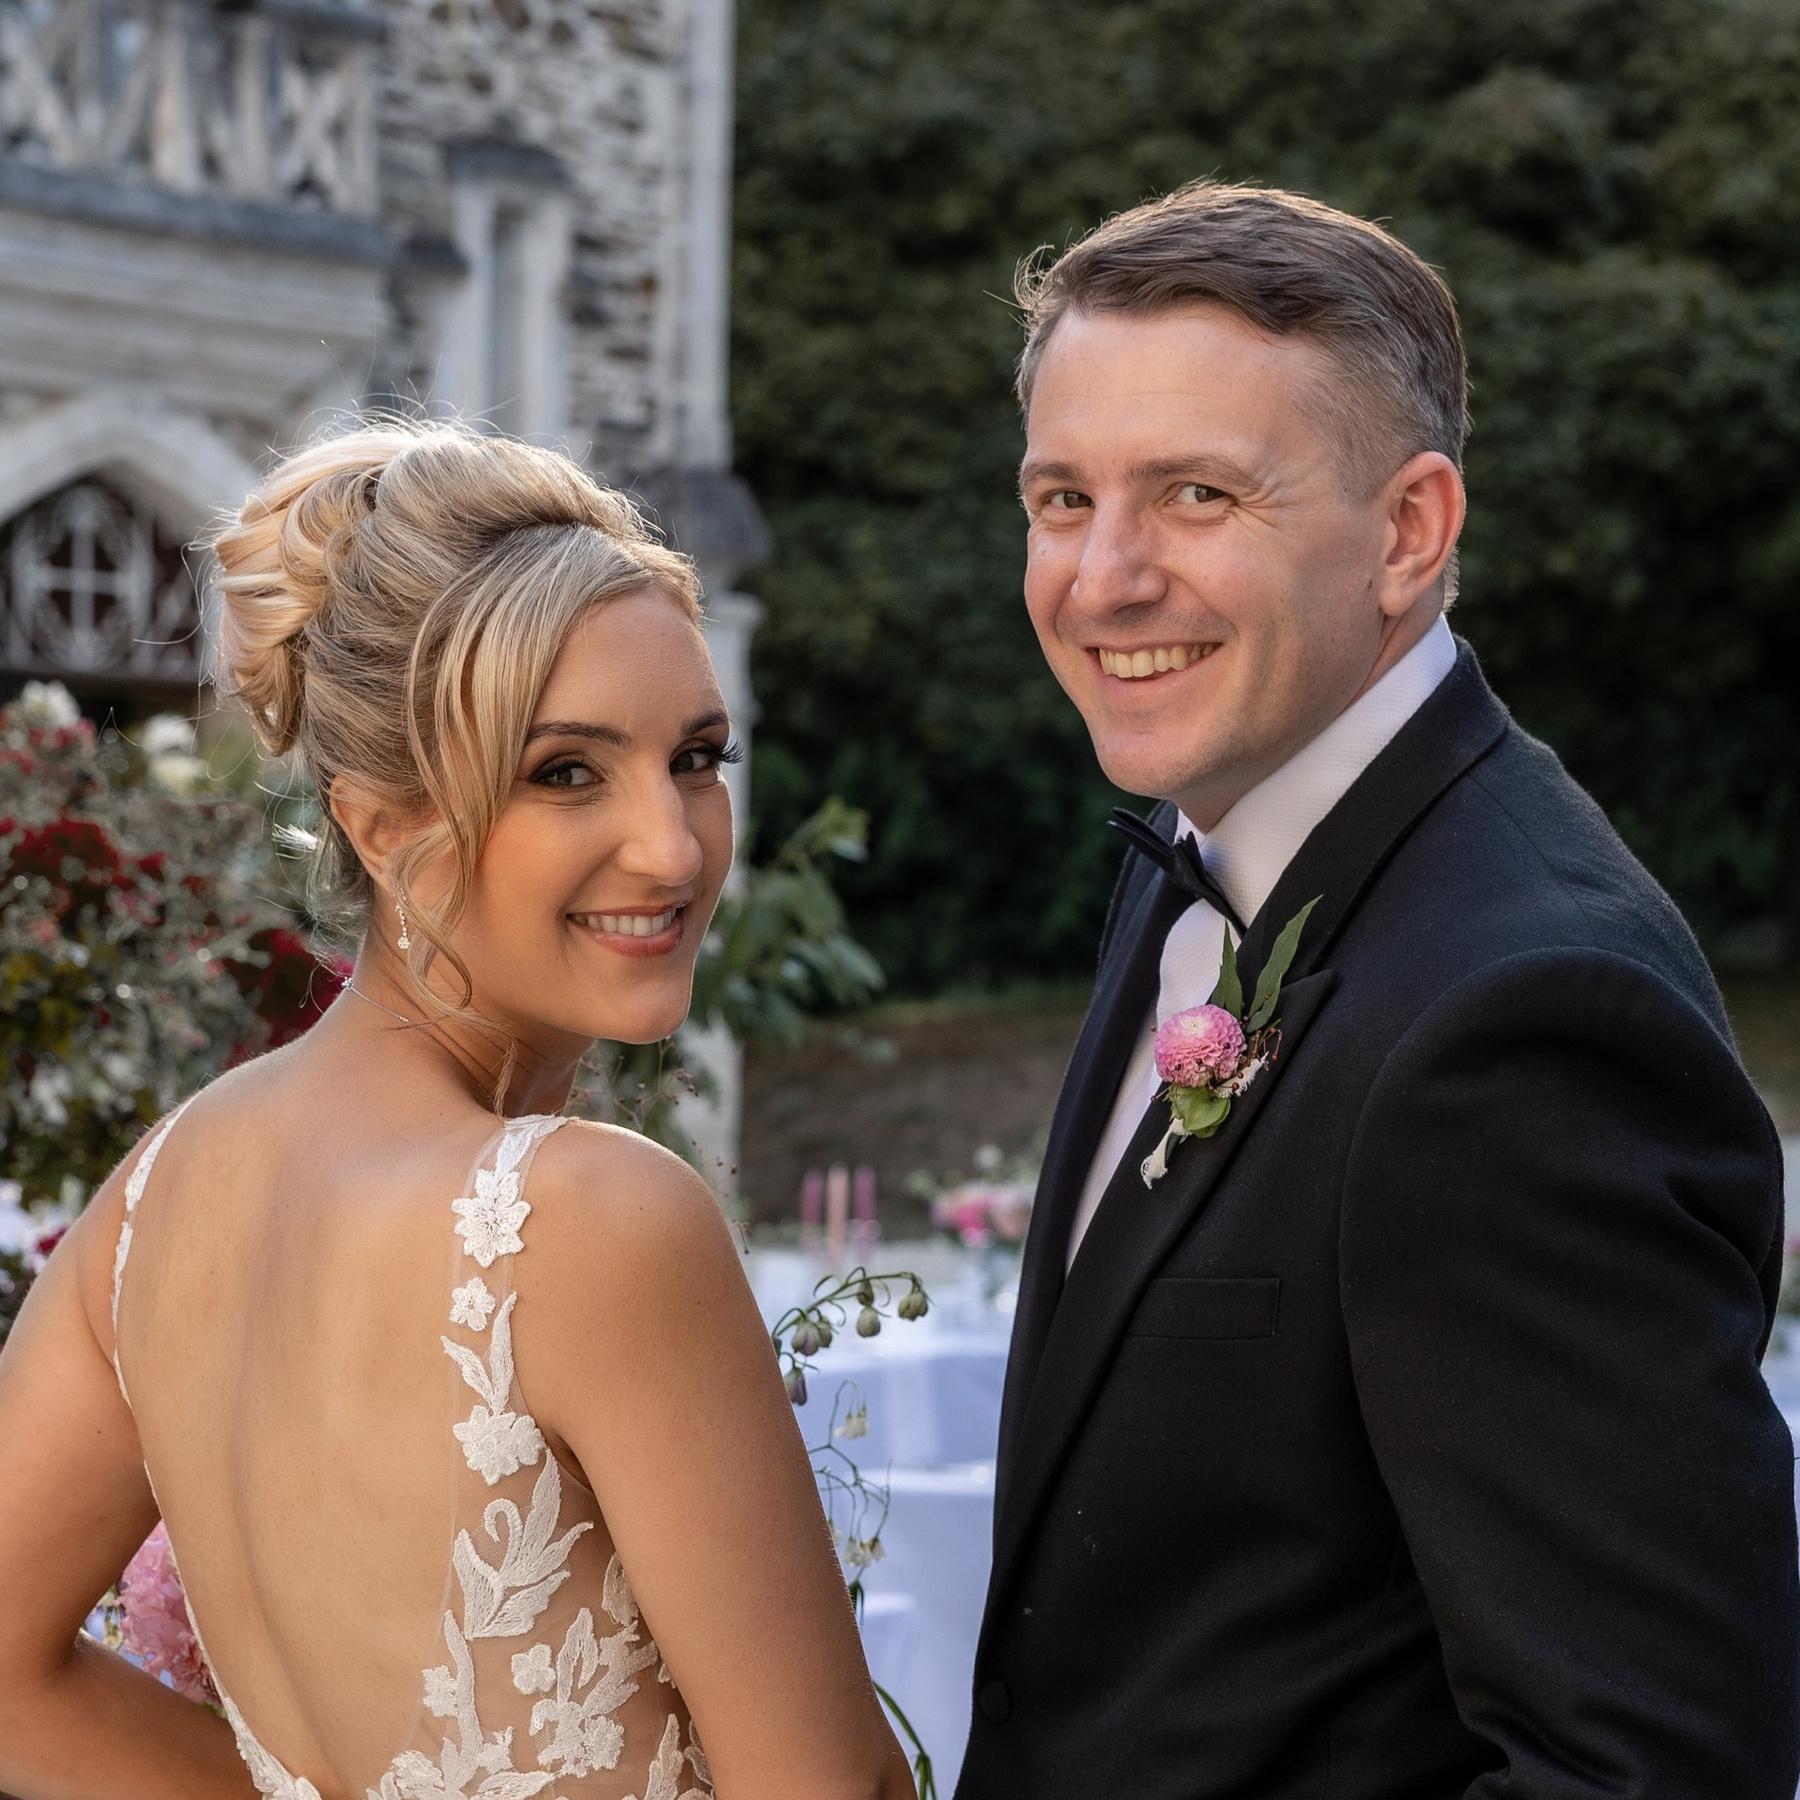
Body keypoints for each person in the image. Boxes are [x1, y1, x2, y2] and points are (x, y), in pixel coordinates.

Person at [957, 182, 1798, 1799]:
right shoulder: (1226, 834)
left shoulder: (1523, 1016)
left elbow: (1648, 1764)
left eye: (1195, 495)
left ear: (1409, 532)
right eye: (1061, 499)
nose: (1101, 577)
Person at [0, 423, 915, 1800]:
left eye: (698, 756)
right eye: (565, 772)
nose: (671, 846)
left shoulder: (153, 1198)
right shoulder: (597, 1219)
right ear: (379, 825)